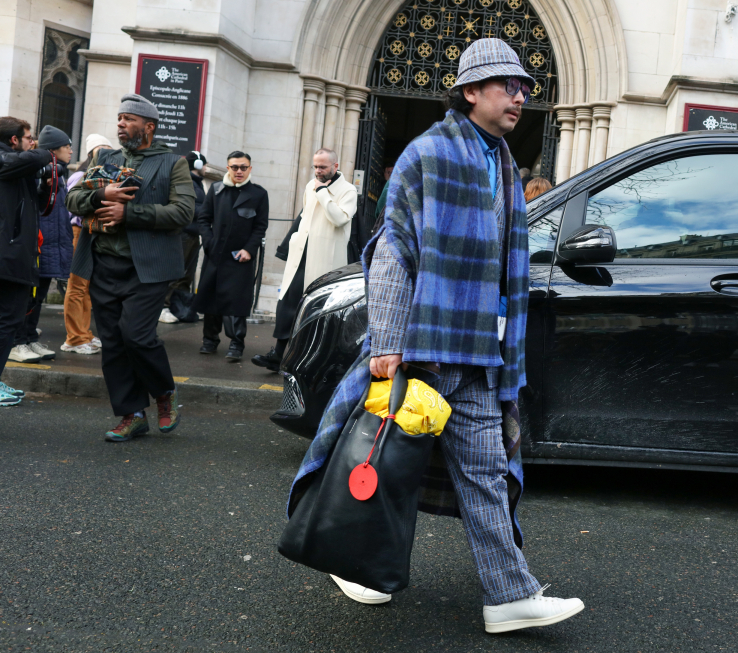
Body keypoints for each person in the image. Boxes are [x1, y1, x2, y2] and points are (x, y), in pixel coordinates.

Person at [287, 39, 584, 633]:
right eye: (507, 85)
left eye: (524, 87)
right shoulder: (430, 152)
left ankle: (508, 595)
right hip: (424, 344)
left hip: (476, 348)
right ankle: (354, 561)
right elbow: (394, 250)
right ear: (471, 90)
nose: (520, 96)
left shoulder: (498, 158)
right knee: (384, 460)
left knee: (484, 471)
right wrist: (389, 343)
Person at [66, 94, 194, 442]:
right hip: (103, 262)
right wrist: (101, 195)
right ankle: (131, 414)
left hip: (148, 268)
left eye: (129, 119)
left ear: (148, 127)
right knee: (113, 342)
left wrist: (130, 214)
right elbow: (72, 199)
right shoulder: (105, 158)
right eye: (119, 118)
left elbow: (183, 213)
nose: (120, 124)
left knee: (135, 335)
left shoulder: (172, 163)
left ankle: (164, 393)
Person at [251, 148, 356, 371]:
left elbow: (339, 219)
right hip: (302, 254)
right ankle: (278, 355)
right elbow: (305, 218)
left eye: (323, 167)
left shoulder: (348, 191)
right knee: (288, 303)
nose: (318, 171)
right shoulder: (311, 185)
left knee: (319, 310)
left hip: (326, 259)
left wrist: (323, 193)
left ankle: (313, 361)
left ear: (335, 167)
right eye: (315, 166)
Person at [194, 151, 268, 361]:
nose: (239, 171)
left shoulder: (258, 194)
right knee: (210, 298)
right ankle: (209, 340)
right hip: (215, 254)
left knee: (236, 302)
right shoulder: (216, 189)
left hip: (240, 257)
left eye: (243, 167)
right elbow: (203, 219)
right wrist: (208, 243)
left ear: (250, 169)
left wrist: (249, 250)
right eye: (234, 167)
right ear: (228, 168)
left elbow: (260, 227)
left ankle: (236, 345)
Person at [9, 125, 74, 363]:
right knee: (27, 297)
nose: (71, 150)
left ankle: (28, 338)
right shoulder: (37, 171)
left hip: (52, 244)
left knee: (39, 297)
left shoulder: (60, 174)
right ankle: (17, 342)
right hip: (39, 244)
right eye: (66, 146)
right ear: (53, 151)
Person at [0, 116, 53, 405]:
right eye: (28, 137)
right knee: (6, 322)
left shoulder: (17, 166)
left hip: (15, 258)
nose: (32, 143)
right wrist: (47, 152)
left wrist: (45, 185)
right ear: (14, 140)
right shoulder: (5, 159)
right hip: (7, 258)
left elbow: (36, 207)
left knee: (8, 322)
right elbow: (37, 155)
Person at [60, 134, 113, 355]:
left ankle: (84, 334)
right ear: (92, 153)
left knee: (85, 287)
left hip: (90, 232)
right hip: (78, 231)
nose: (105, 154)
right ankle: (74, 338)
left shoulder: (101, 175)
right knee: (76, 286)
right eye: (100, 150)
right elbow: (70, 205)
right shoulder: (81, 176)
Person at [159, 149, 207, 324]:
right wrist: (210, 212)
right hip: (184, 233)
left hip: (193, 235)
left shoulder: (197, 183)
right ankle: (163, 307)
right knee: (175, 272)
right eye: (205, 164)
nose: (207, 168)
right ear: (198, 164)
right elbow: (189, 207)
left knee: (187, 274)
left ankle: (180, 307)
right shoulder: (187, 182)